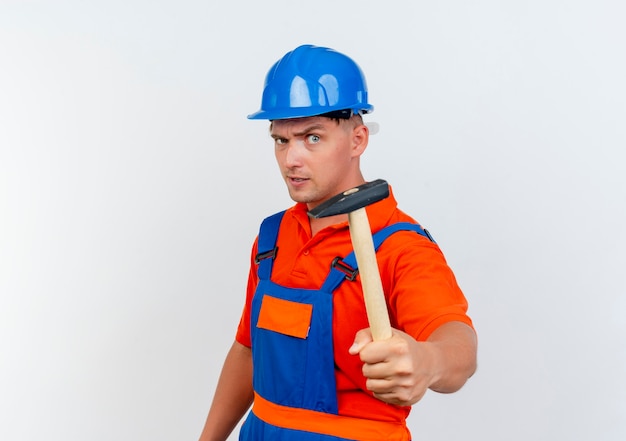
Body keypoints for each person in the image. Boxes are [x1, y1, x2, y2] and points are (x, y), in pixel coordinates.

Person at [198, 44, 477, 441]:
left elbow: (457, 343)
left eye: (312, 137)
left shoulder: (398, 246)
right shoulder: (272, 238)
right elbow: (246, 352)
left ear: (357, 139)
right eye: (281, 140)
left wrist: (427, 361)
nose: (291, 158)